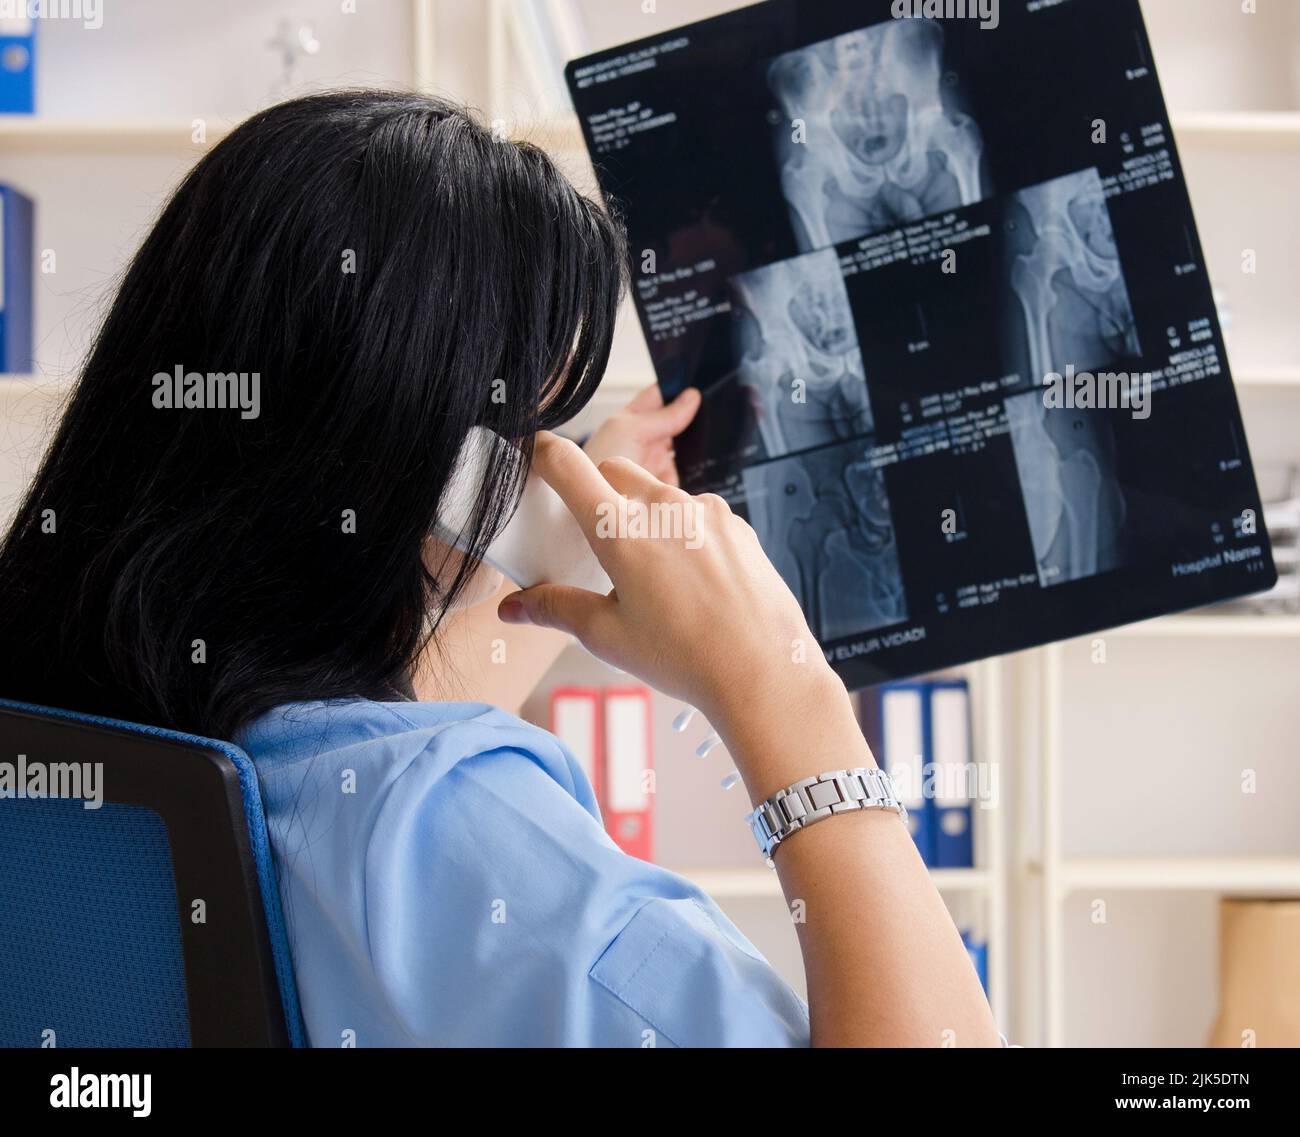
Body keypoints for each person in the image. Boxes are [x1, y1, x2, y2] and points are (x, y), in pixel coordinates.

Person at [0, 91, 1001, 1047]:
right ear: (427, 464)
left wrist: (532, 564)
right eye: (536, 427)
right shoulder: (461, 837)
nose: (538, 467)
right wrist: (783, 694)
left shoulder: (108, 718)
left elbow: (352, 761)